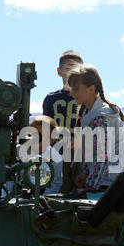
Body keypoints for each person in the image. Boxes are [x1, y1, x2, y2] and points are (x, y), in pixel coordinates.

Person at [67, 64, 124, 191]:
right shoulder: (89, 114)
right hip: (106, 180)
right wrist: (87, 172)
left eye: (76, 89)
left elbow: (102, 157)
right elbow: (92, 151)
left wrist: (91, 186)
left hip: (113, 183)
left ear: (91, 89)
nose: (71, 93)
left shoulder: (101, 118)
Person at [42, 50, 84, 194]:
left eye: (76, 68)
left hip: (81, 152)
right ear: (59, 71)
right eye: (67, 68)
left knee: (81, 190)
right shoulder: (51, 98)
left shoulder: (87, 97)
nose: (72, 72)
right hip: (57, 151)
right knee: (56, 188)